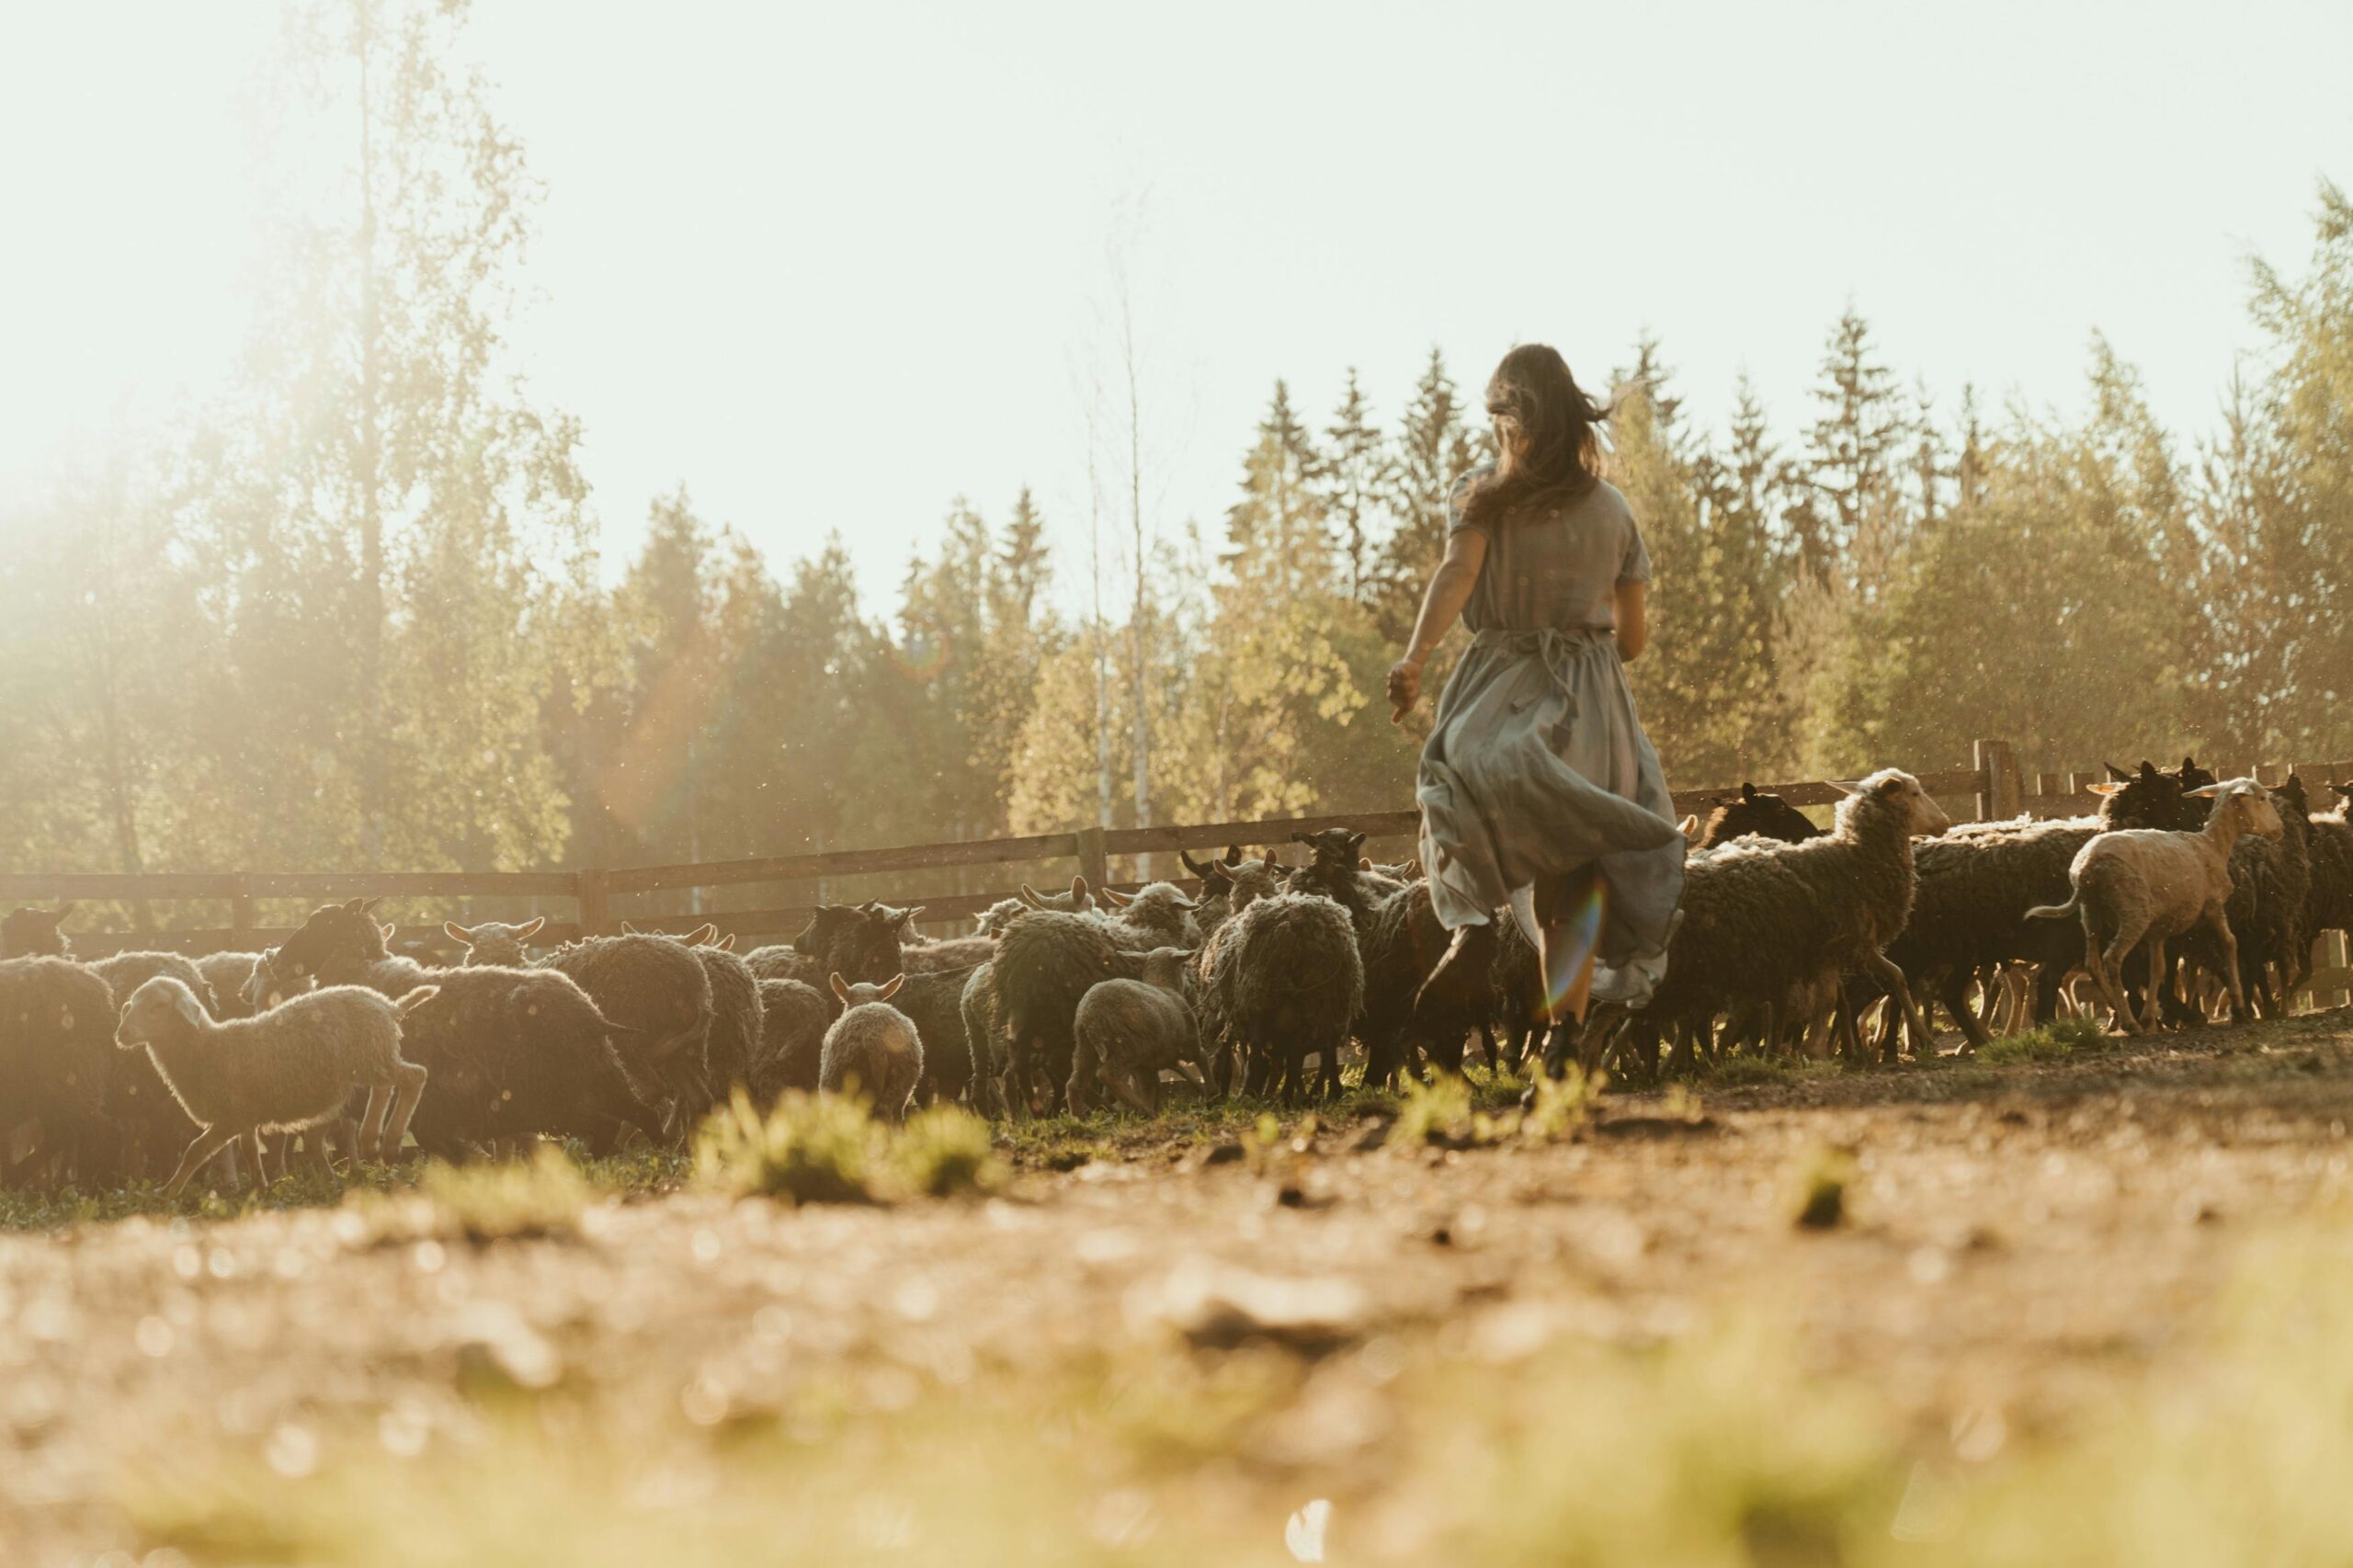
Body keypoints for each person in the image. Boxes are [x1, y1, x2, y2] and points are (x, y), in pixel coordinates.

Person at [1386, 343, 1685, 1046]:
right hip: (1593, 701)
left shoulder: (1481, 495)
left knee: (1452, 796)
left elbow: (1457, 574)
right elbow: (1634, 643)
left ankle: (1474, 928)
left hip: (1498, 687)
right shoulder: (1613, 511)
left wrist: (1415, 658)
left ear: (1508, 420)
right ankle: (1565, 1035)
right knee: (1575, 872)